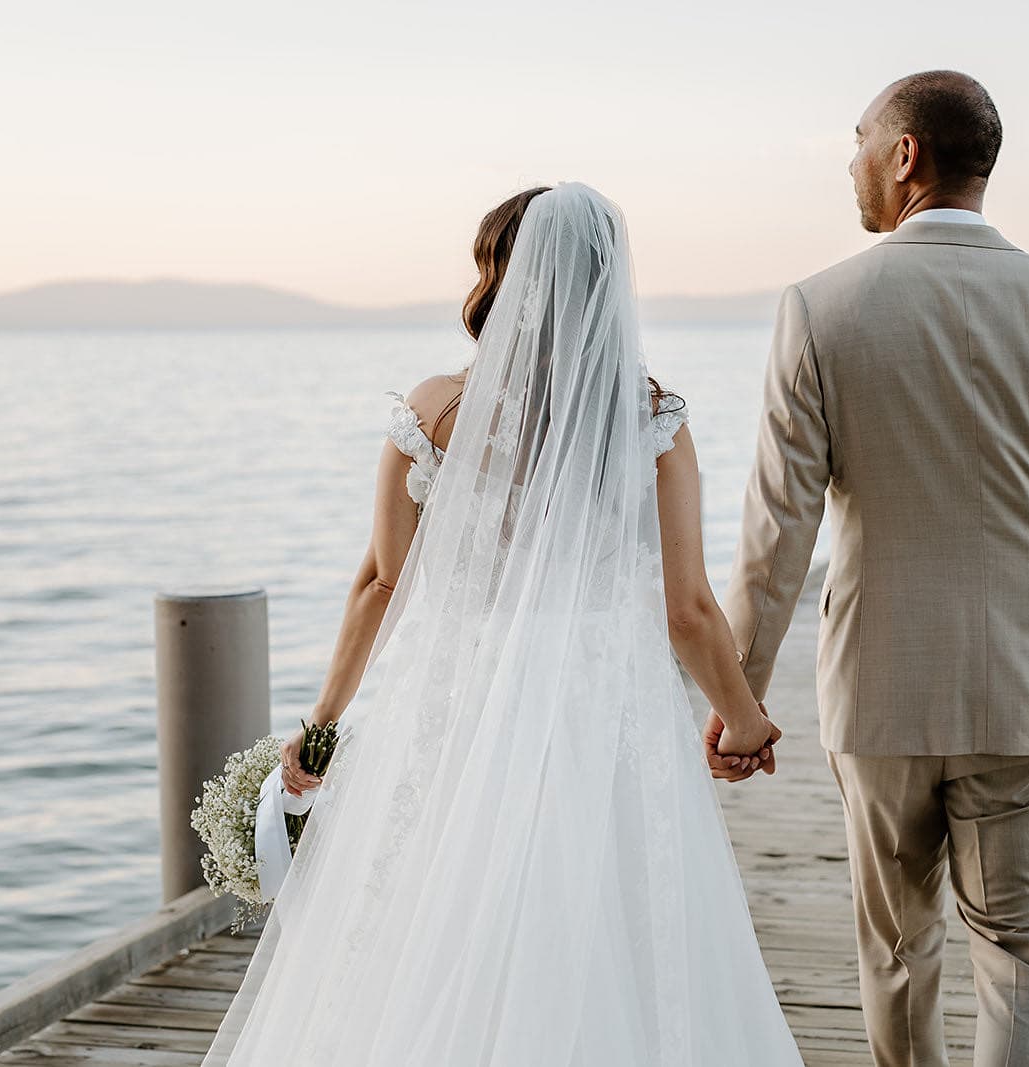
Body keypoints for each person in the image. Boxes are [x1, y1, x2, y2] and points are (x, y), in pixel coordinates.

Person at [203, 182, 801, 1065]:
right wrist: (743, 720)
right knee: (608, 925)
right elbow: (688, 609)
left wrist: (322, 726)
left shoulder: (434, 413)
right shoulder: (650, 421)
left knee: (434, 920)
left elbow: (380, 583)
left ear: (501, 278)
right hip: (600, 706)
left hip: (457, 702)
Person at [715, 71, 1029, 1066]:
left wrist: (738, 693)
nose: (851, 162)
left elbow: (777, 529)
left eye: (860, 141)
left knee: (897, 949)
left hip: (880, 693)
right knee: (1023, 946)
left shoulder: (820, 308)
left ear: (905, 154)